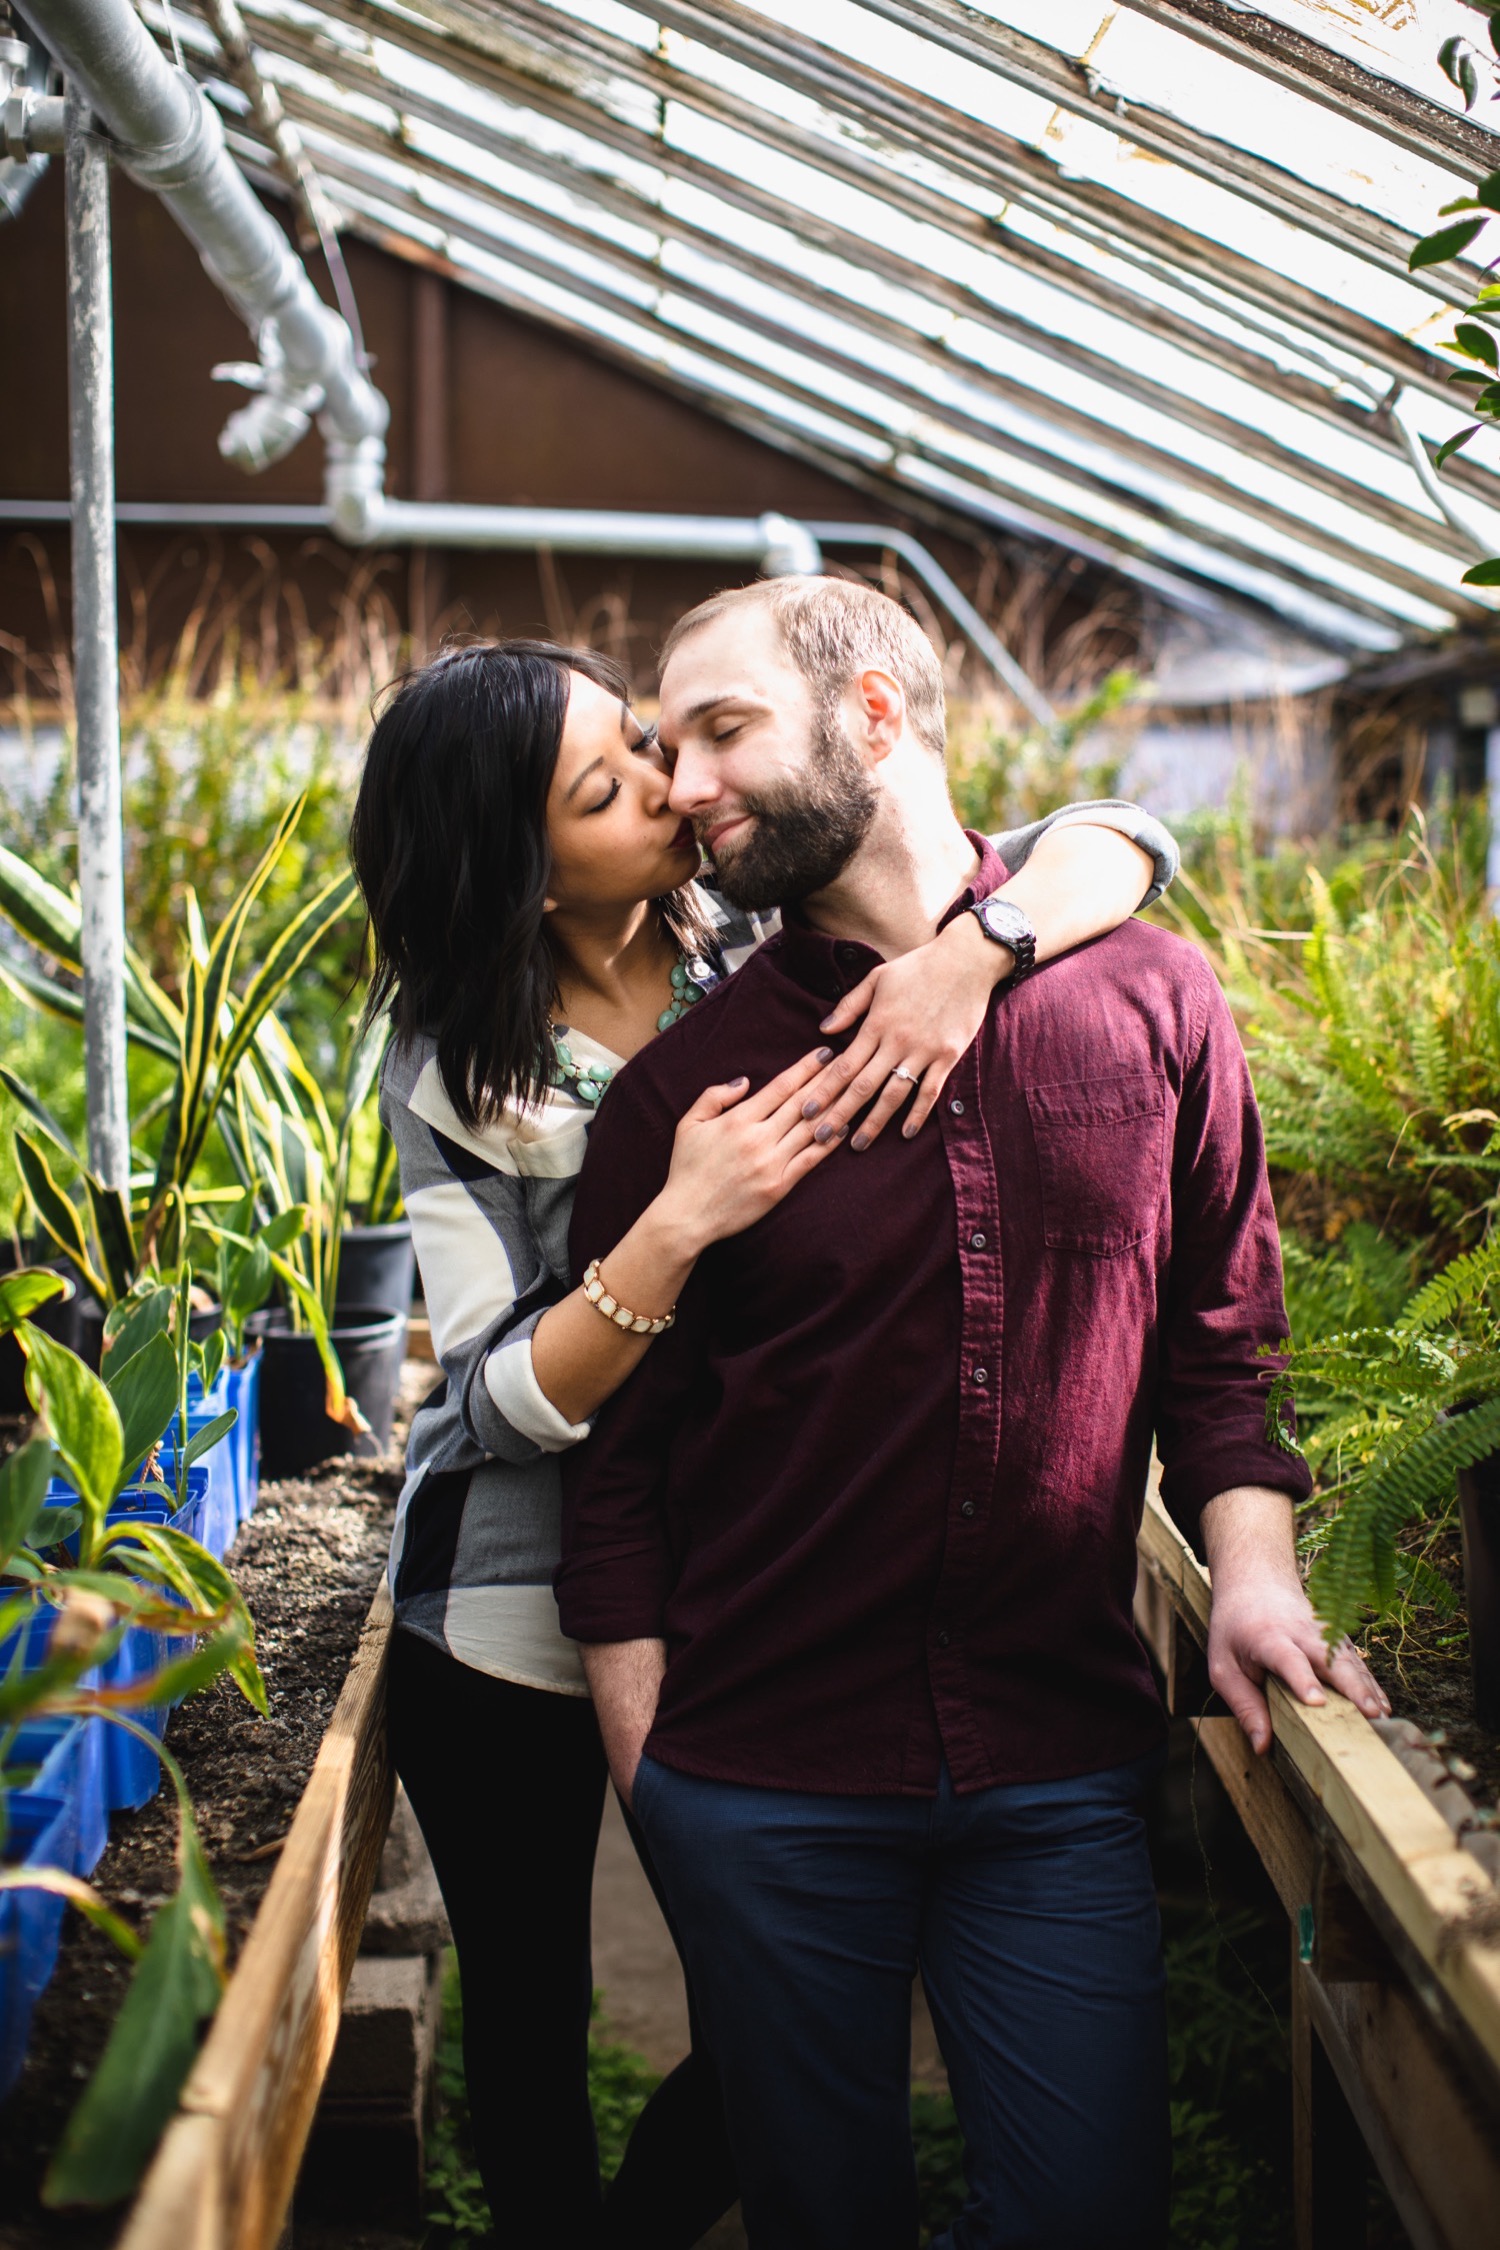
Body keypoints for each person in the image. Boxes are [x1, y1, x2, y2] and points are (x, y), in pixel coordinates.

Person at [555, 578, 1392, 2250]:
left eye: (724, 730)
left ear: (874, 713)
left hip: (1057, 1768)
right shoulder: (680, 1096)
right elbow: (621, 1485)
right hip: (766, 1782)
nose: (687, 782)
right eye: (667, 744)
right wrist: (664, 1792)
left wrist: (1254, 1569)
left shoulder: (1156, 1004)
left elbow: (1225, 1354)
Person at [349, 627, 1179, 2249]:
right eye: (614, 782)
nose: (676, 784)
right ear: (525, 874)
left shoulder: (749, 929)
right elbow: (487, 1403)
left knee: (762, 2019)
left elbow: (1127, 841)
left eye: (650, 741)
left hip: (721, 1565)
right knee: (530, 2026)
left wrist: (980, 949)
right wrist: (672, 1228)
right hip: (507, 1605)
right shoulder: (460, 1069)